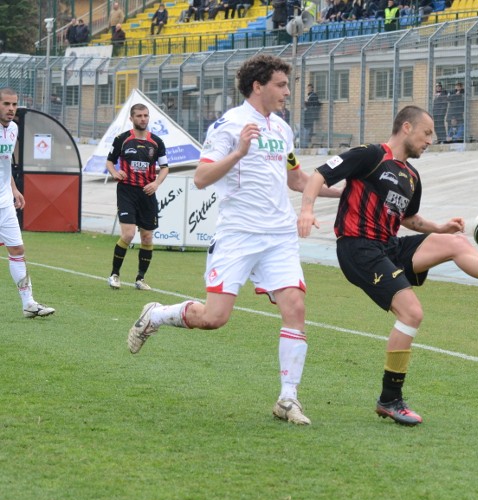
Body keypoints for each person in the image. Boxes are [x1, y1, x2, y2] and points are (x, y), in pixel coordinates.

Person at [297, 105, 478, 426]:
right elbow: (319, 175)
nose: (430, 140)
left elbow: (408, 219)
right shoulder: (370, 155)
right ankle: (390, 399)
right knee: (412, 313)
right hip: (358, 248)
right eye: (426, 133)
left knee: (455, 243)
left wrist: (439, 227)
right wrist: (307, 210)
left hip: (388, 246)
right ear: (406, 128)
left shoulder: (411, 177)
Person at [126, 54, 341, 426]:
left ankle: (287, 399)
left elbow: (296, 180)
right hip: (238, 234)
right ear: (258, 87)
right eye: (281, 85)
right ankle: (156, 315)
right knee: (214, 318)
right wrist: (239, 152)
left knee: (296, 307)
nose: (288, 92)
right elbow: (201, 177)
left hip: (278, 235)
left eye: (287, 85)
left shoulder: (282, 129)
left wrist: (348, 193)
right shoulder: (228, 126)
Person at [0, 88, 55, 319]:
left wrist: (13, 189)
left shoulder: (13, 129)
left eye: (14, 104)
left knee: (18, 250)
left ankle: (29, 303)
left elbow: (4, 164)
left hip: (4, 202)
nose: (11, 108)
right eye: (6, 104)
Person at [105, 104, 169, 292]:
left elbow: (165, 167)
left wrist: (156, 183)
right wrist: (115, 172)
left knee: (147, 237)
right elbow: (109, 161)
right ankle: (114, 274)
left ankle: (140, 278)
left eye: (146, 115)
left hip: (147, 193)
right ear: (131, 118)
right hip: (126, 191)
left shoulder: (157, 142)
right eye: (139, 116)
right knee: (129, 234)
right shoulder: (122, 139)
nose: (143, 119)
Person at [302, 83, 321, 147]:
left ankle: (304, 145)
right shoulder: (309, 95)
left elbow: (314, 104)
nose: (308, 89)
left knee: (307, 130)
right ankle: (304, 144)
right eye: (308, 88)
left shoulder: (314, 95)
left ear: (312, 88)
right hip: (307, 115)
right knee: (304, 130)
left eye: (310, 88)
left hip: (310, 116)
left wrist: (307, 103)